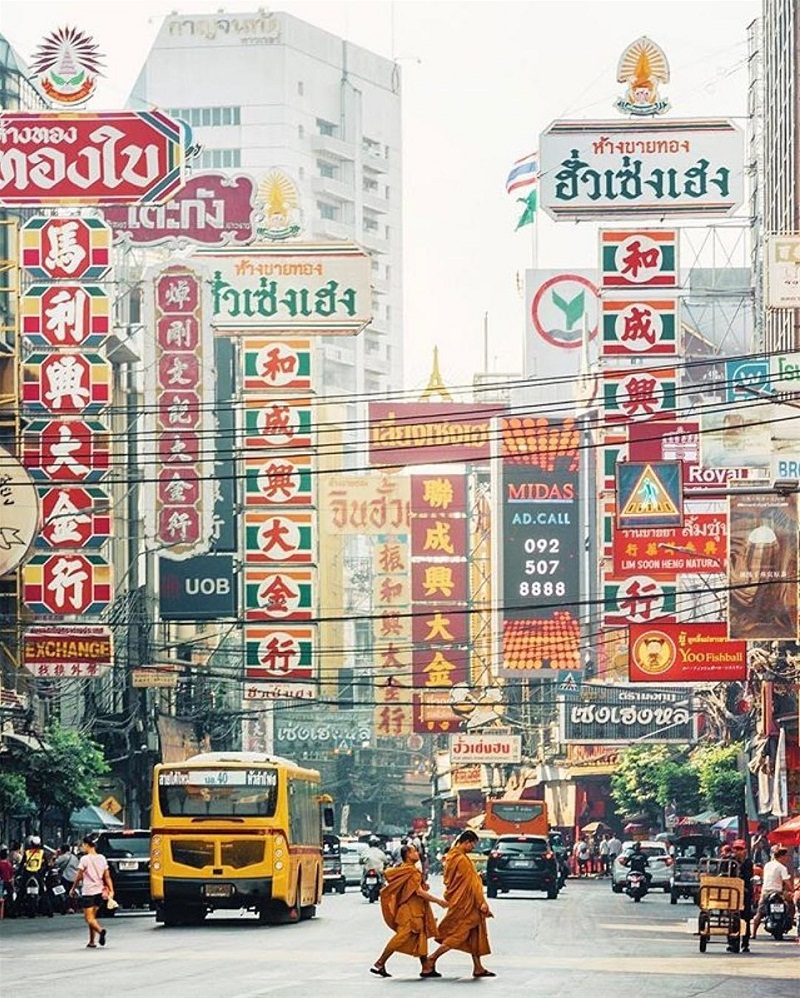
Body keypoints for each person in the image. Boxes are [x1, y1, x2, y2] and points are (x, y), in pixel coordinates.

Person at [421, 829, 494, 979]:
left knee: (475, 933)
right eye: (473, 845)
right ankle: (432, 959)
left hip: (461, 900)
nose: (473, 848)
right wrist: (482, 903)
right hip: (466, 904)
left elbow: (455, 880)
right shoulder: (461, 859)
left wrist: (475, 877)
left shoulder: (451, 856)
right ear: (466, 842)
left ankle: (478, 967)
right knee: (458, 934)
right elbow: (472, 884)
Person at [370, 843, 447, 978]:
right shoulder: (411, 871)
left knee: (420, 936)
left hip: (414, 910)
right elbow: (419, 892)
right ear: (408, 855)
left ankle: (426, 968)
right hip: (410, 912)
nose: (417, 853)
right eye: (414, 851)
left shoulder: (405, 870)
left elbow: (412, 889)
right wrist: (438, 901)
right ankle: (379, 963)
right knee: (401, 937)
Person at [70, 833, 114, 948]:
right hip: (99, 892)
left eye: (82, 846)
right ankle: (92, 941)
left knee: (88, 918)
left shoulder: (84, 859)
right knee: (93, 917)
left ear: (86, 845)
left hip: (88, 892)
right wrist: (111, 890)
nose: (82, 848)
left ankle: (101, 930)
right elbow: (107, 876)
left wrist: (73, 888)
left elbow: (79, 876)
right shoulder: (102, 858)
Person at [752, 845, 794, 941]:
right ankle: (790, 922)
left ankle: (753, 933)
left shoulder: (767, 865)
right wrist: (792, 890)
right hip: (778, 892)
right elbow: (786, 882)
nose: (788, 859)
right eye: (787, 856)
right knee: (790, 905)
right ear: (781, 856)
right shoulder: (782, 867)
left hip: (766, 892)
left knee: (759, 912)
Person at [730, 839, 754, 952]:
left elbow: (748, 876)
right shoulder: (729, 861)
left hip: (745, 894)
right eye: (736, 849)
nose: (738, 852)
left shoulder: (748, 862)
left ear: (745, 851)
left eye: (740, 849)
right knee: (731, 917)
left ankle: (745, 943)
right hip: (731, 893)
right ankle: (731, 941)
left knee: (746, 918)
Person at [0, 848, 14, 919]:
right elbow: (11, 875)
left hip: (1, 883)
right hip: (8, 882)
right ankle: (12, 912)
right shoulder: (9, 864)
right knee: (10, 896)